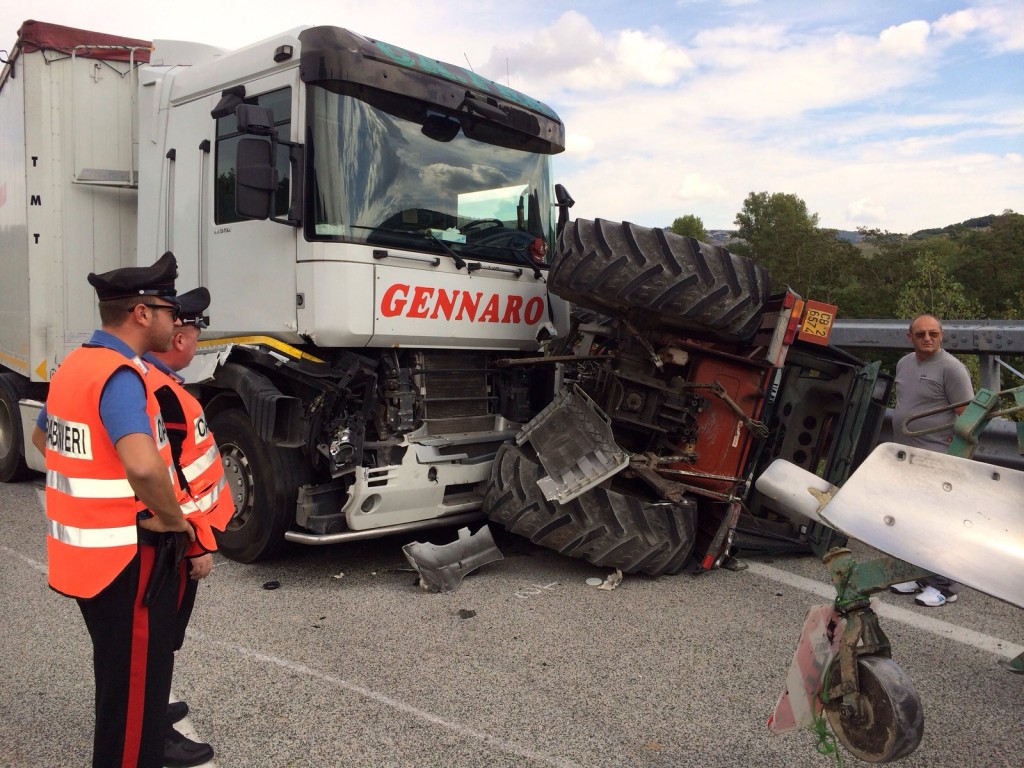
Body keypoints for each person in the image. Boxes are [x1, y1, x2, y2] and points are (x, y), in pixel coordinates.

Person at [31, 252, 209, 768]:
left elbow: (46, 438)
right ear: (140, 313)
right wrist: (177, 521)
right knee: (132, 713)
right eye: (168, 310)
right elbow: (145, 466)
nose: (176, 321)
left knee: (121, 688)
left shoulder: (76, 365)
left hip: (89, 561)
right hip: (127, 563)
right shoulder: (120, 376)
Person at [143, 287, 234, 765]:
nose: (198, 340)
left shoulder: (161, 385)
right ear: (179, 336)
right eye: (196, 330)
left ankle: (154, 705)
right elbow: (173, 480)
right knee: (157, 640)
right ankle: (154, 733)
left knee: (162, 637)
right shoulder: (164, 395)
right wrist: (198, 543)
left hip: (176, 537)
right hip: (177, 542)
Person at [889, 312, 975, 607]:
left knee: (937, 522)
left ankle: (943, 587)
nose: (927, 339)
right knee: (913, 519)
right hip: (907, 457)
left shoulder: (952, 369)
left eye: (933, 334)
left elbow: (969, 417)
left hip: (937, 459)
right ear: (909, 336)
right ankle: (918, 574)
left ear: (942, 336)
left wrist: (956, 455)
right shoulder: (903, 363)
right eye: (921, 334)